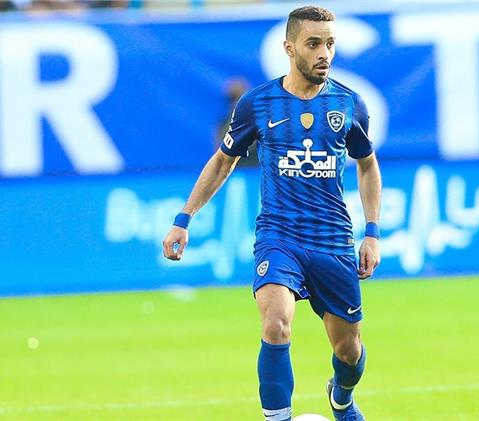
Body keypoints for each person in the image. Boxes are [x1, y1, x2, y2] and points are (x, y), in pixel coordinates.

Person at [162, 5, 381, 421]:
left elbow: (367, 165)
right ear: (289, 48)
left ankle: (342, 396)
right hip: (279, 237)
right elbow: (223, 161)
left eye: (330, 44)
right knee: (276, 324)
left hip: (333, 240)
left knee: (349, 351)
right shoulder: (258, 104)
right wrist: (183, 218)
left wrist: (371, 232)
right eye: (313, 44)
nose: (324, 54)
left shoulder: (349, 104)